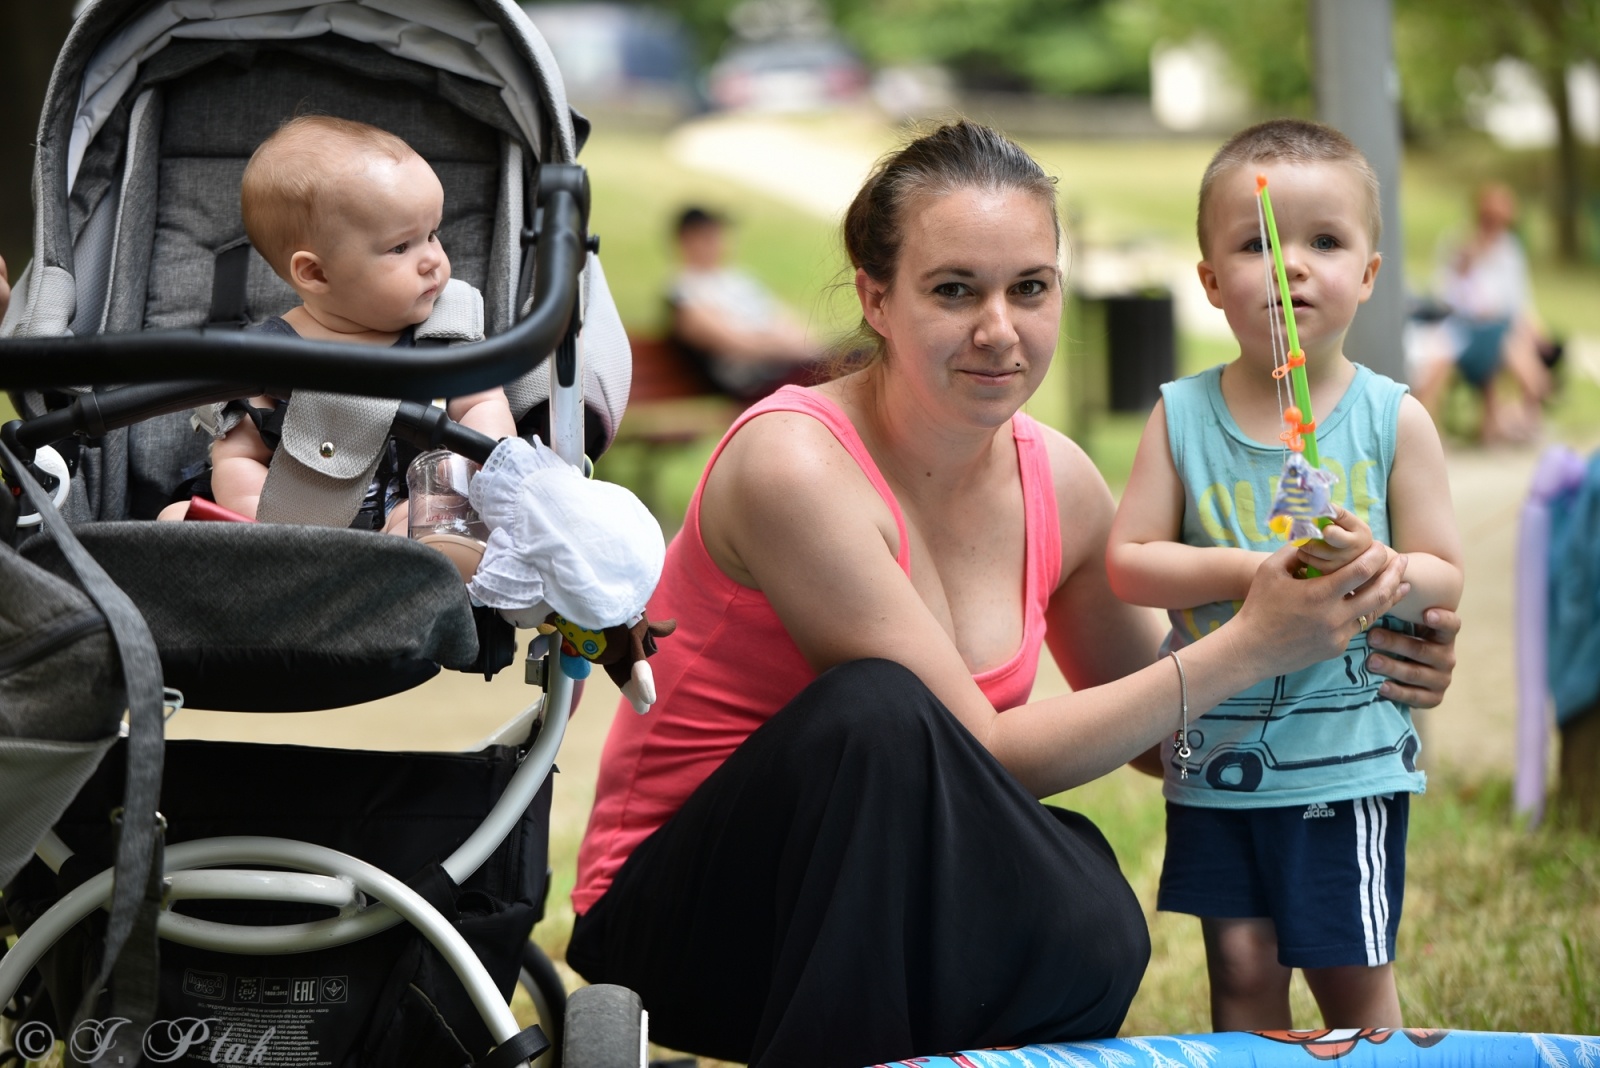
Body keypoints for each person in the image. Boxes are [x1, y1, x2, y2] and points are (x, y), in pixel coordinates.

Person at [564, 120, 1463, 1067]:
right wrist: (1254, 642)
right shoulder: (794, 462)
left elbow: (1167, 737)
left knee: (1091, 907)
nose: (1000, 330)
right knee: (880, 713)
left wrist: (1351, 640)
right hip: (689, 925)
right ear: (876, 297)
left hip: (895, 907)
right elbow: (971, 751)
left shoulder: (1059, 482)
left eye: (1029, 289)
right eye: (955, 290)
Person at [1106, 119, 1465, 1032]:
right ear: (1211, 281)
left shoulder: (1392, 420)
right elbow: (1129, 562)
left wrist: (1383, 568)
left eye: (1325, 242)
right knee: (1240, 968)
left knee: (1351, 977)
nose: (1292, 265)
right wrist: (1249, 571)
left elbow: (1443, 574)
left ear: (1370, 275)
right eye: (1257, 244)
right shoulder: (1180, 417)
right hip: (1216, 763)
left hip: (1345, 766)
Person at [158, 115, 515, 532]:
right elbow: (239, 458)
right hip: (299, 525)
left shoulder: (445, 329)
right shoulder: (266, 358)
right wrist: (268, 524)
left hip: (409, 506)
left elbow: (483, 407)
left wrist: (458, 483)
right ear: (316, 274)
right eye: (401, 246)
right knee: (175, 519)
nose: (432, 259)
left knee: (430, 527)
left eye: (433, 234)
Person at [1410, 182, 1551, 443]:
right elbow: (1444, 292)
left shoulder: (1510, 250)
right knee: (1444, 357)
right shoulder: (1458, 242)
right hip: (1462, 325)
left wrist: (1537, 331)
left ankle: (1516, 420)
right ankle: (1435, 433)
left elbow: (1519, 301)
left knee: (1515, 348)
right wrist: (1468, 260)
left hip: (1498, 327)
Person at [667, 205, 823, 400]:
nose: (718, 243)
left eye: (719, 235)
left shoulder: (740, 280)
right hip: (759, 383)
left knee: (856, 362)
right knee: (849, 371)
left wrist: (792, 343)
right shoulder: (684, 294)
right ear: (686, 240)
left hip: (791, 370)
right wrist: (790, 345)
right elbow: (740, 345)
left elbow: (801, 330)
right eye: (708, 237)